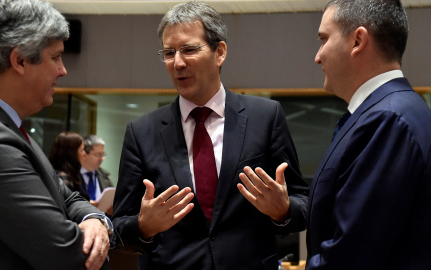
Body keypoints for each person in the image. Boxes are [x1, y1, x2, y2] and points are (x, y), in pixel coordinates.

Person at [111, 1, 309, 269]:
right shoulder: (142, 132)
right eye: (169, 53)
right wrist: (144, 226)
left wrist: (283, 210)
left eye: (189, 49)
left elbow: (303, 204)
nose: (177, 62)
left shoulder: (265, 116)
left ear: (220, 52)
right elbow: (121, 227)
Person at [0, 0, 114, 269]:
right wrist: (99, 239)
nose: (63, 70)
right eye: (55, 57)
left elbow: (68, 198)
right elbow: (64, 251)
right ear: (20, 61)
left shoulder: (2, 125)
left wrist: (92, 220)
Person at [306, 0, 431, 269]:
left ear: (357, 41)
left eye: (324, 39)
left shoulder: (387, 119)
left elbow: (351, 255)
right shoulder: (395, 110)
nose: (318, 56)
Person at [80, 135, 114, 214]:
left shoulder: (105, 178)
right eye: (98, 155)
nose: (102, 159)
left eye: (103, 154)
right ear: (84, 154)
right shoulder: (72, 177)